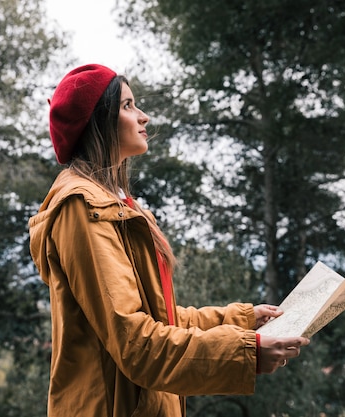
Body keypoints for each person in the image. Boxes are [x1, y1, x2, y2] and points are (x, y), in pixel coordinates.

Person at [28, 64, 310, 417]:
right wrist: (245, 352)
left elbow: (159, 319)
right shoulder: (83, 209)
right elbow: (135, 341)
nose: (143, 116)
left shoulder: (116, 204)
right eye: (128, 106)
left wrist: (240, 319)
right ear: (98, 121)